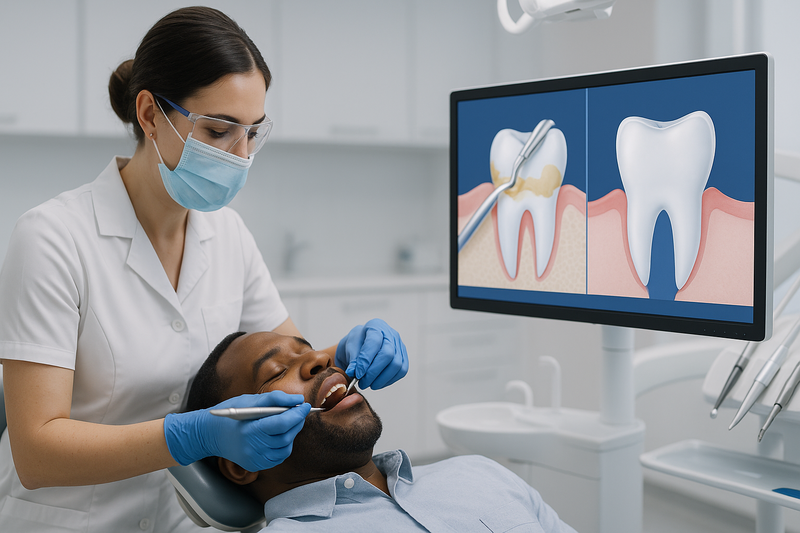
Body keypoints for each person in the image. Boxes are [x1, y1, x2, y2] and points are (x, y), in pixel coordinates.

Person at [0, 7, 407, 532]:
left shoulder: (228, 235)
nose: (239, 155)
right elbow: (37, 453)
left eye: (252, 133)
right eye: (218, 131)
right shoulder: (53, 238)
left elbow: (291, 356)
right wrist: (191, 436)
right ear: (149, 114)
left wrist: (348, 353)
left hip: (184, 521)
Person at [186, 330, 578, 533]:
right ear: (239, 462)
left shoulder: (479, 472)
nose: (320, 359)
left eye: (308, 349)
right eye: (274, 372)